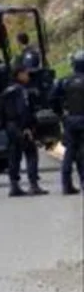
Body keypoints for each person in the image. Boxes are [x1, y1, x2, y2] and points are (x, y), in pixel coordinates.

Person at [0, 63, 47, 197]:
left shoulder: (6, 90)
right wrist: (27, 127)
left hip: (10, 126)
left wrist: (5, 126)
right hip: (21, 126)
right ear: (19, 75)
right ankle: (34, 184)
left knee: (14, 156)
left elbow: (0, 111)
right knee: (31, 153)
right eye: (26, 73)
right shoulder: (22, 91)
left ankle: (14, 185)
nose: (28, 76)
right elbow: (23, 110)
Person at [50, 49, 84, 195]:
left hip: (69, 120)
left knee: (69, 152)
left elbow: (51, 99)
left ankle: (66, 184)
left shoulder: (64, 81)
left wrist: (61, 114)